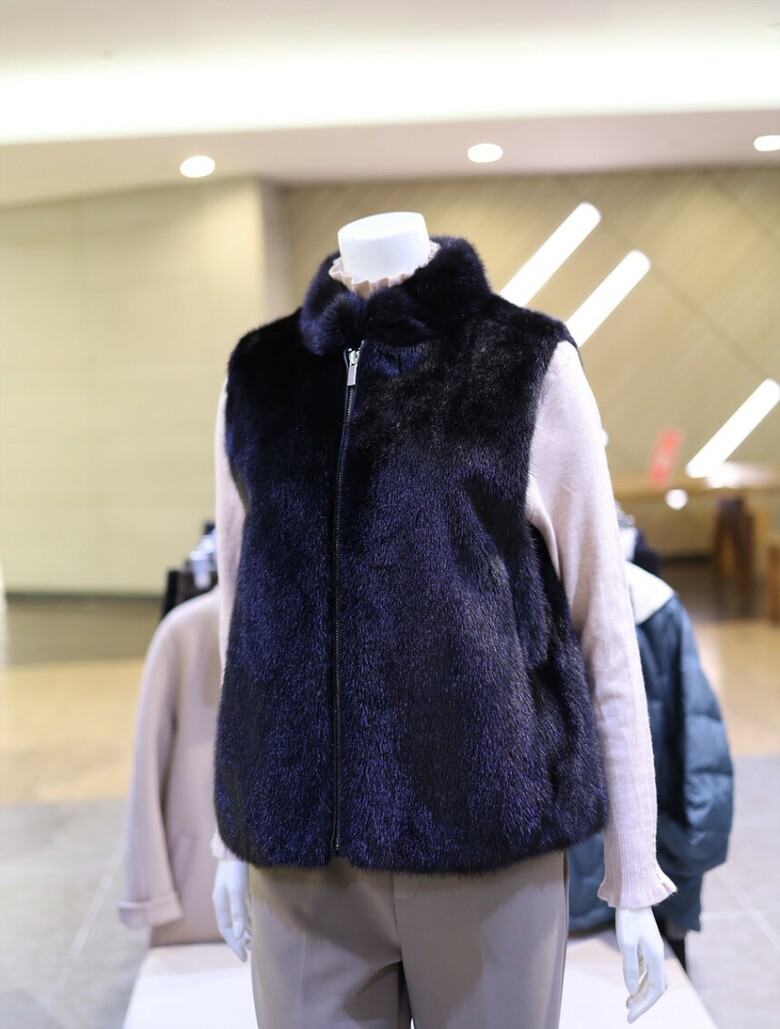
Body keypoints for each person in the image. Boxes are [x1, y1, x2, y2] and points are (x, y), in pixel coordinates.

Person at [211, 211, 676, 1028]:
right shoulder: (259, 375)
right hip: (302, 862)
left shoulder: (522, 361)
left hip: (486, 847)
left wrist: (634, 869)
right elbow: (239, 626)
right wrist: (232, 837)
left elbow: (601, 624)